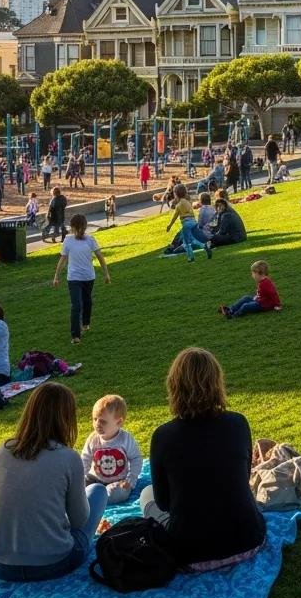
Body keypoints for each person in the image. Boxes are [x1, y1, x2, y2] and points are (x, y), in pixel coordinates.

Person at [141, 348, 266, 568]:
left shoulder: (163, 436)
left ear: (174, 386)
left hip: (189, 552)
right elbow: (243, 478)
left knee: (145, 493)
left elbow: (163, 502)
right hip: (248, 539)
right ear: (217, 383)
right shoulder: (238, 423)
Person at [0, 382, 106, 581]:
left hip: (0, 563)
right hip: (53, 563)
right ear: (66, 418)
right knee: (98, 492)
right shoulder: (68, 457)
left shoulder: (2, 452)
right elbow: (79, 520)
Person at [53, 214, 111, 344]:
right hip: (74, 278)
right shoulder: (68, 241)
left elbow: (100, 257)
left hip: (88, 277)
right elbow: (63, 259)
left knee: (87, 302)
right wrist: (56, 276)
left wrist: (106, 274)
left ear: (82, 227)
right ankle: (75, 335)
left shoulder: (90, 240)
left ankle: (85, 323)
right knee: (76, 305)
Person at [82, 394, 143, 506]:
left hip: (118, 482)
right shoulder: (93, 438)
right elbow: (85, 460)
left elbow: (136, 459)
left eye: (103, 421)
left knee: (120, 493)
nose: (97, 424)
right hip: (94, 479)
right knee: (78, 486)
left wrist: (130, 479)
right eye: (95, 419)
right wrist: (81, 478)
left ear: (119, 422)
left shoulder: (125, 439)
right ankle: (90, 496)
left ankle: (96, 500)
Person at [165, 183, 211, 262]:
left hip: (186, 223)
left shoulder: (179, 205)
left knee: (186, 243)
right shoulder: (188, 203)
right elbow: (192, 213)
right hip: (193, 222)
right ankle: (204, 245)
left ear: (176, 194)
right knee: (192, 240)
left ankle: (191, 257)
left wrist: (169, 225)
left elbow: (174, 217)